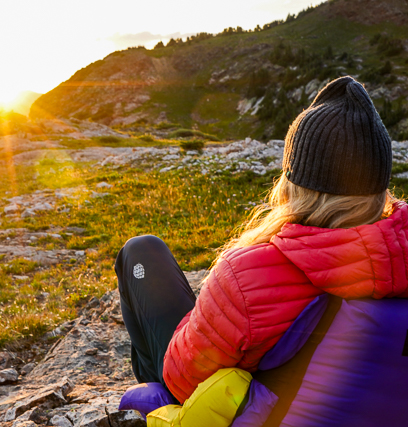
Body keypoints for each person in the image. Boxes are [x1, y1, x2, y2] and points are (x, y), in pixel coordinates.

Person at [115, 76, 408, 425]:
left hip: (244, 407)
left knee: (141, 253)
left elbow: (182, 380)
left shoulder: (248, 275)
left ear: (293, 182)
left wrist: (204, 316)